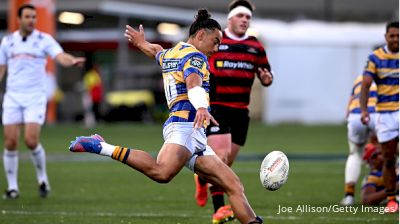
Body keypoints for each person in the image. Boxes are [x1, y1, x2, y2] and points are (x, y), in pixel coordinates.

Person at [69, 9, 264, 224]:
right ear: (200, 36)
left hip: (192, 132)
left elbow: (155, 52)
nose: (217, 48)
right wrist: (201, 106)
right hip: (186, 126)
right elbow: (193, 83)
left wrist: (140, 43)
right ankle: (101, 147)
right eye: (215, 42)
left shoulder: (172, 53)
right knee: (162, 172)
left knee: (233, 185)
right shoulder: (196, 57)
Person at [193, 1, 273, 222]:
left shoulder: (255, 46)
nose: (244, 20)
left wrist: (267, 79)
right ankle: (219, 209)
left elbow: (267, 73)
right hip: (217, 107)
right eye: (240, 16)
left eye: (248, 17)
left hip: (241, 112)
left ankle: (201, 180)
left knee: (225, 164)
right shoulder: (217, 41)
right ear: (230, 19)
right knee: (221, 157)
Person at [0, 4, 85, 199]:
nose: (31, 20)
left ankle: (42, 179)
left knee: (31, 140)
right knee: (10, 141)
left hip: (34, 97)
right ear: (19, 19)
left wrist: (71, 60)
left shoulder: (43, 39)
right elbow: (2, 68)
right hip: (12, 96)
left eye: (34, 17)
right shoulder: (8, 42)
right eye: (27, 17)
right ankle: (13, 188)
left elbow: (59, 56)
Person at [360, 21, 399, 212]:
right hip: (386, 114)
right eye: (392, 35)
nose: (395, 39)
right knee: (389, 159)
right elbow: (366, 84)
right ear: (386, 37)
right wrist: (364, 110)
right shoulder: (375, 58)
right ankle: (392, 200)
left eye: (398, 36)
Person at [340, 75, 377, 206]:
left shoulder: (359, 78)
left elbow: (348, 108)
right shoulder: (392, 74)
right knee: (393, 151)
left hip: (356, 115)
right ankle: (394, 194)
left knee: (355, 154)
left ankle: (349, 196)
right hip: (378, 114)